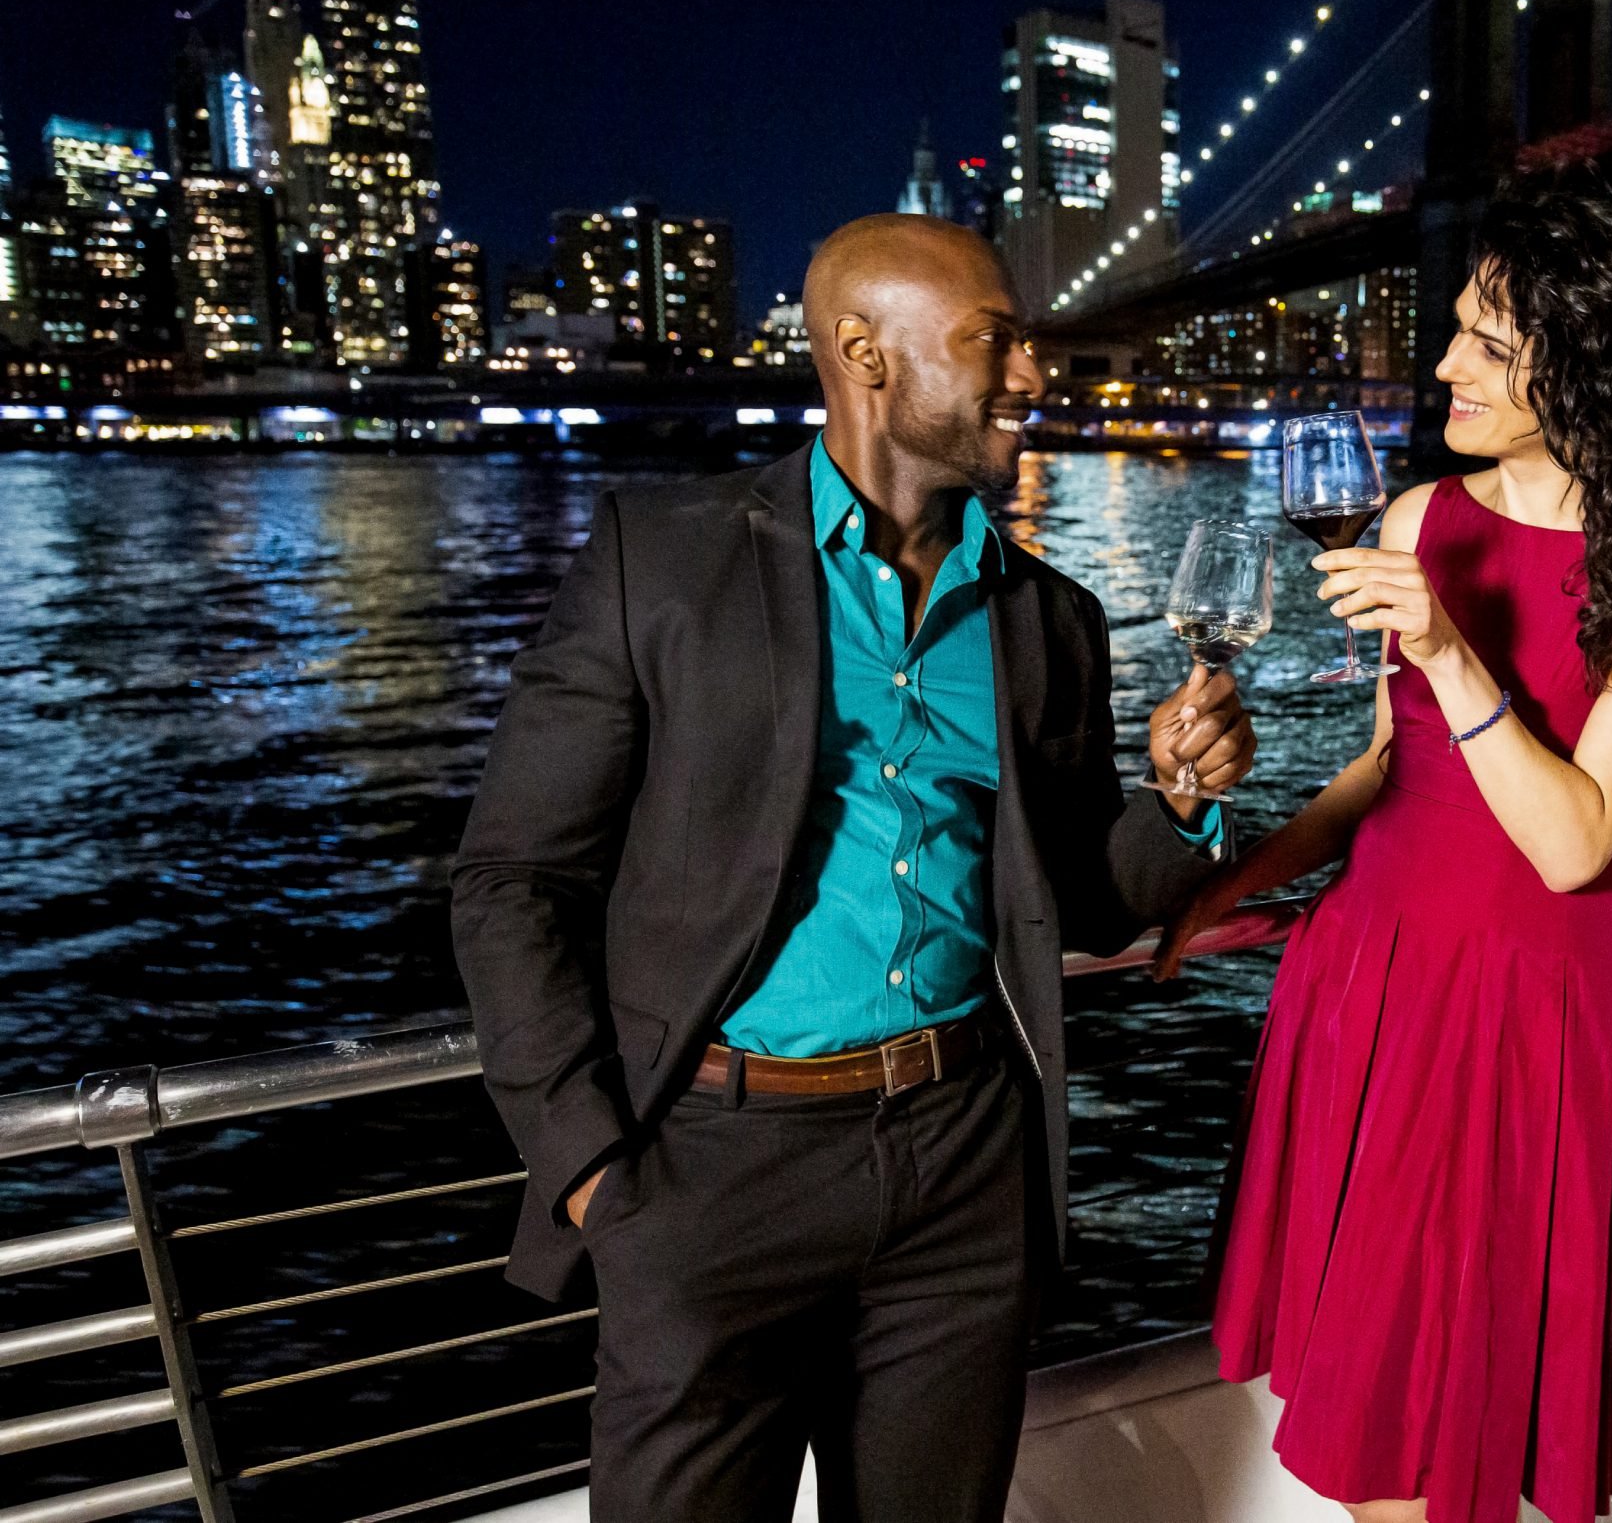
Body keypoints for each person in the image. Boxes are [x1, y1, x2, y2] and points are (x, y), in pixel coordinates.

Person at [451, 213, 1254, 1522]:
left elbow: (1094, 898)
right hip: (712, 1172)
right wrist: (600, 1176)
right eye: (996, 340)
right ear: (865, 355)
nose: (1037, 376)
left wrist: (1183, 803)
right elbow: (511, 884)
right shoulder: (662, 565)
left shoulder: (1050, 619)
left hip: (961, 1166)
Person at [1156, 184, 1612, 1523]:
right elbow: (1388, 767)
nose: (1444, 364)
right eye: (1455, 332)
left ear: (1589, 357)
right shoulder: (1417, 517)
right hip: (1367, 987)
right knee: (1375, 1418)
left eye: (1489, 342)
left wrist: (1450, 647)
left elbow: (1574, 840)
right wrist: (1220, 887)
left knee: (1446, 1455)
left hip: (1520, 1014)